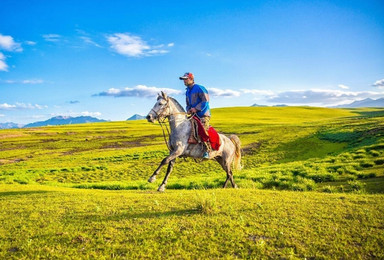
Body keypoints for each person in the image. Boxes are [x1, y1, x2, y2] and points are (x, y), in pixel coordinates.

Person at [179, 72, 211, 159]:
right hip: (194, 115)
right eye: (183, 80)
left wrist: (196, 109)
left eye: (186, 79)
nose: (184, 81)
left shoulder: (200, 88)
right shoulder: (187, 92)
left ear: (191, 79)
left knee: (203, 130)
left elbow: (205, 101)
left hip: (203, 114)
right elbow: (188, 103)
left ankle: (207, 150)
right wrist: (189, 109)